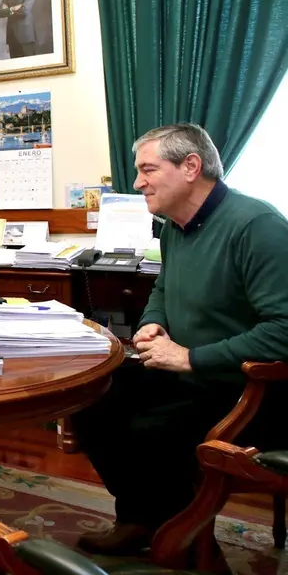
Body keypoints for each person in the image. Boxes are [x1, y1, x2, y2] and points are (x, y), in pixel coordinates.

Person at [71, 123, 288, 556]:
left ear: (191, 166)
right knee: (90, 398)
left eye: (148, 169)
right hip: (193, 377)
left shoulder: (258, 226)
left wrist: (190, 357)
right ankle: (142, 519)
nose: (138, 182)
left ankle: (182, 539)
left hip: (254, 392)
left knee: (150, 432)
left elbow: (284, 330)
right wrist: (153, 322)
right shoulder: (174, 228)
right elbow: (163, 288)